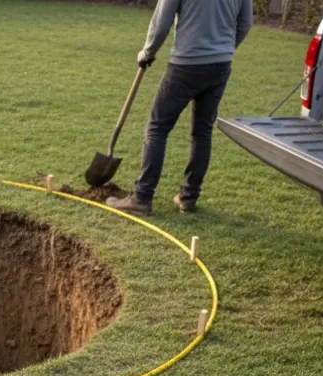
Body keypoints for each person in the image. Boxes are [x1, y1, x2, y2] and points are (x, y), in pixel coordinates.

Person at [105, 0, 253, 215]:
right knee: (202, 132)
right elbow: (246, 23)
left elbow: (161, 22)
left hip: (186, 64)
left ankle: (142, 198)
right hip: (221, 65)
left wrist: (148, 51)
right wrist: (224, 49)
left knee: (157, 127)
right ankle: (188, 197)